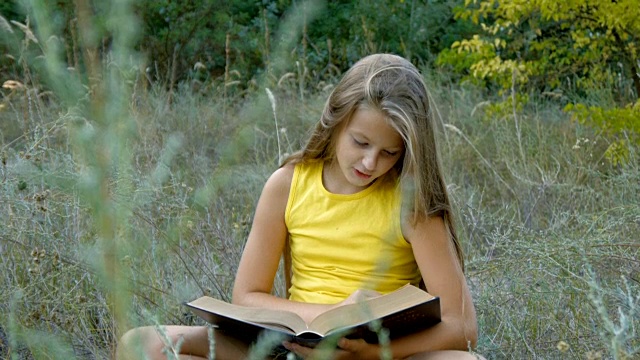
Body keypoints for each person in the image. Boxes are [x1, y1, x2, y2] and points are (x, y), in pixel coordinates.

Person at [117, 53, 480, 359]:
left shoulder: (412, 201)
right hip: (288, 348)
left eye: (388, 153)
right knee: (141, 344)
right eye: (360, 142)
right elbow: (245, 296)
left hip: (373, 353)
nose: (370, 163)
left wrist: (368, 351)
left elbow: (462, 326)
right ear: (335, 122)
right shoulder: (288, 183)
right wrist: (332, 315)